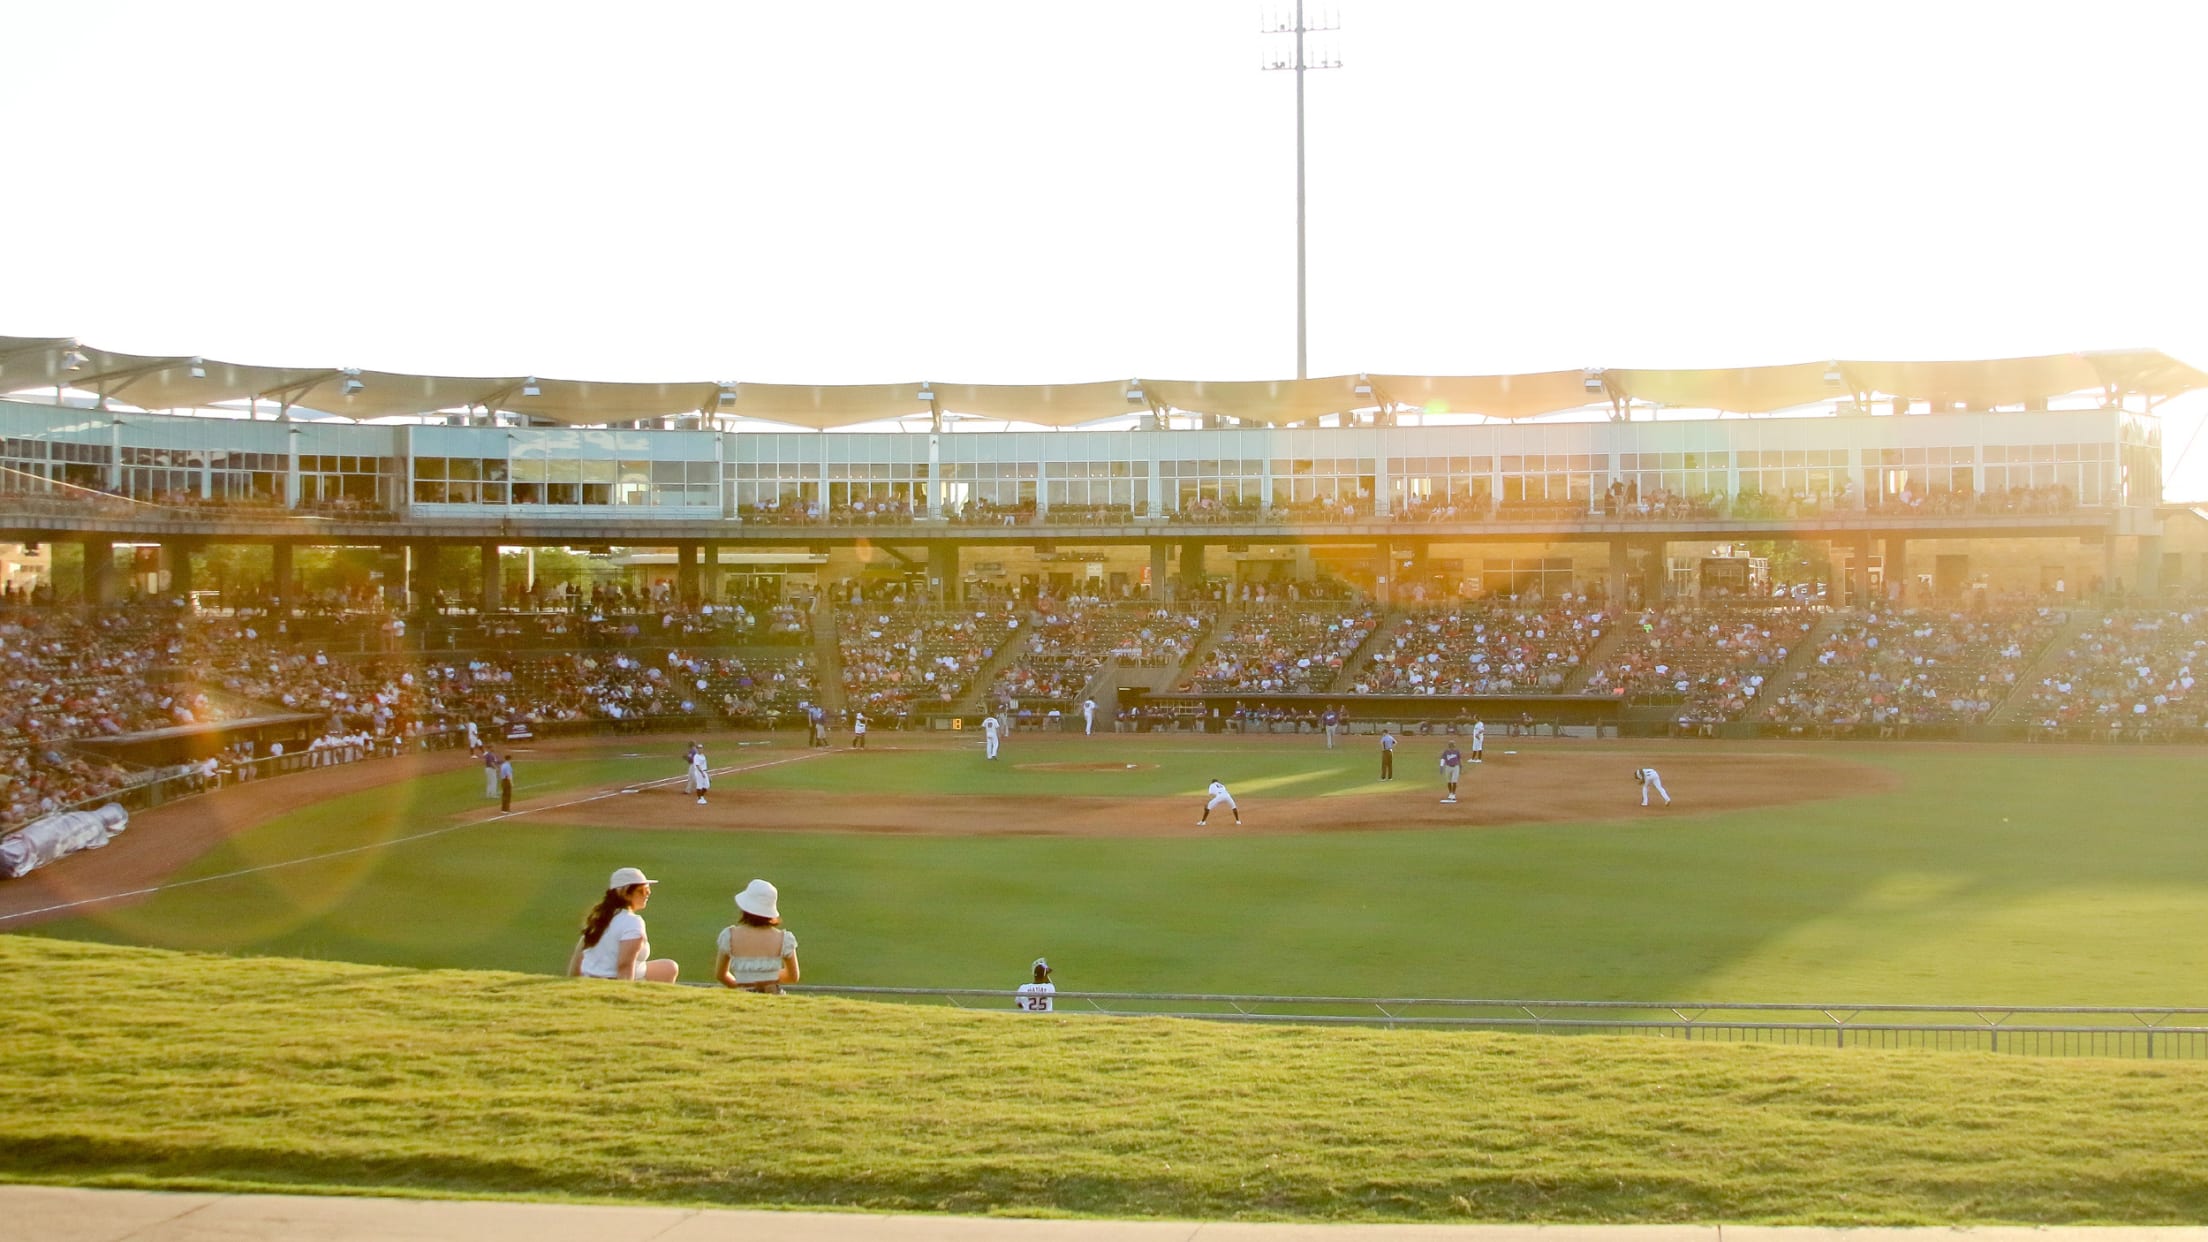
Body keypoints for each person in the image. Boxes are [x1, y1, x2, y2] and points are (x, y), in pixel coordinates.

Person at [567, 866, 679, 982]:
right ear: (625, 893)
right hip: (614, 982)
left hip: (590, 979)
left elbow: (578, 959)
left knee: (668, 967)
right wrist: (623, 994)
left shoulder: (599, 918)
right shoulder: (632, 922)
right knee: (669, 967)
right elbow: (624, 965)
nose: (648, 893)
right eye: (642, 890)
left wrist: (574, 984)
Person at [715, 878, 799, 994]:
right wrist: (768, 977)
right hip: (773, 995)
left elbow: (721, 975)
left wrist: (740, 985)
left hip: (741, 996)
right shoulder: (784, 939)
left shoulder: (729, 936)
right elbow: (793, 976)